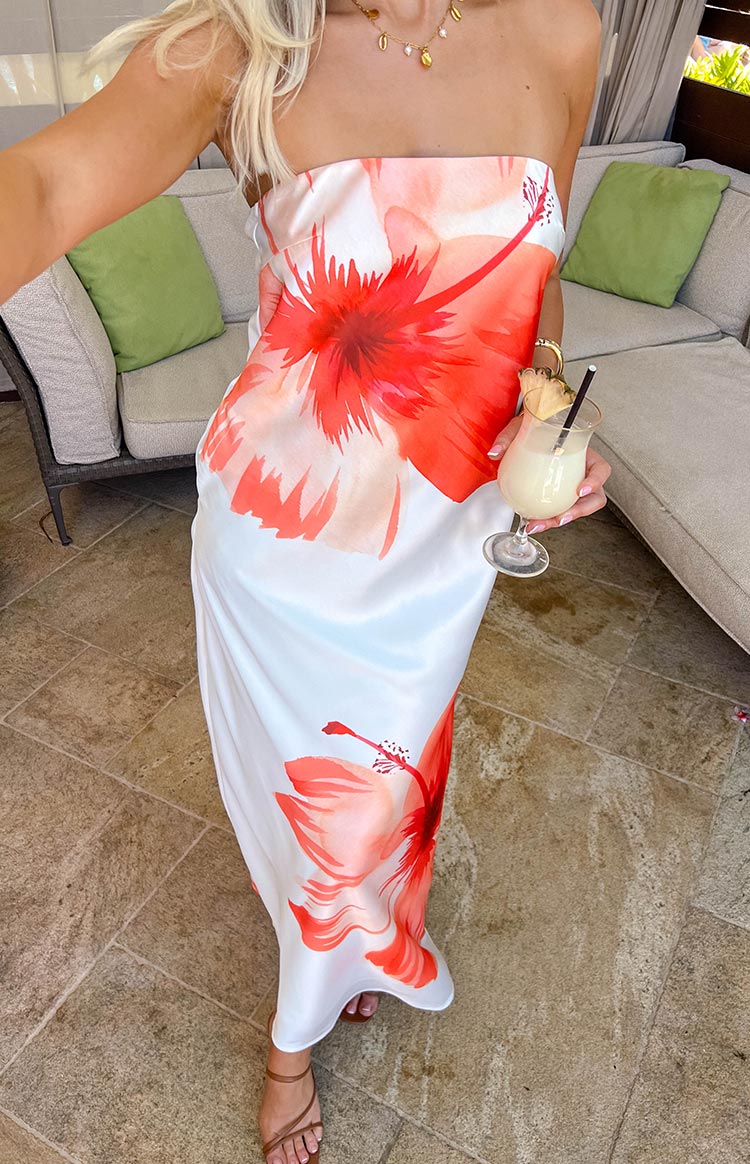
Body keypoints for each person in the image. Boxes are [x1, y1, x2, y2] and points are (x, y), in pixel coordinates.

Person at [0, 1, 609, 1160]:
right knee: (325, 816)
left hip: (449, 537)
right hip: (289, 544)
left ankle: (365, 939)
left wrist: (549, 403)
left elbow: (541, 275)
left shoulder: (562, 30)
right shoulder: (238, 45)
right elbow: (41, 187)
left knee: (398, 780)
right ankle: (294, 1040)